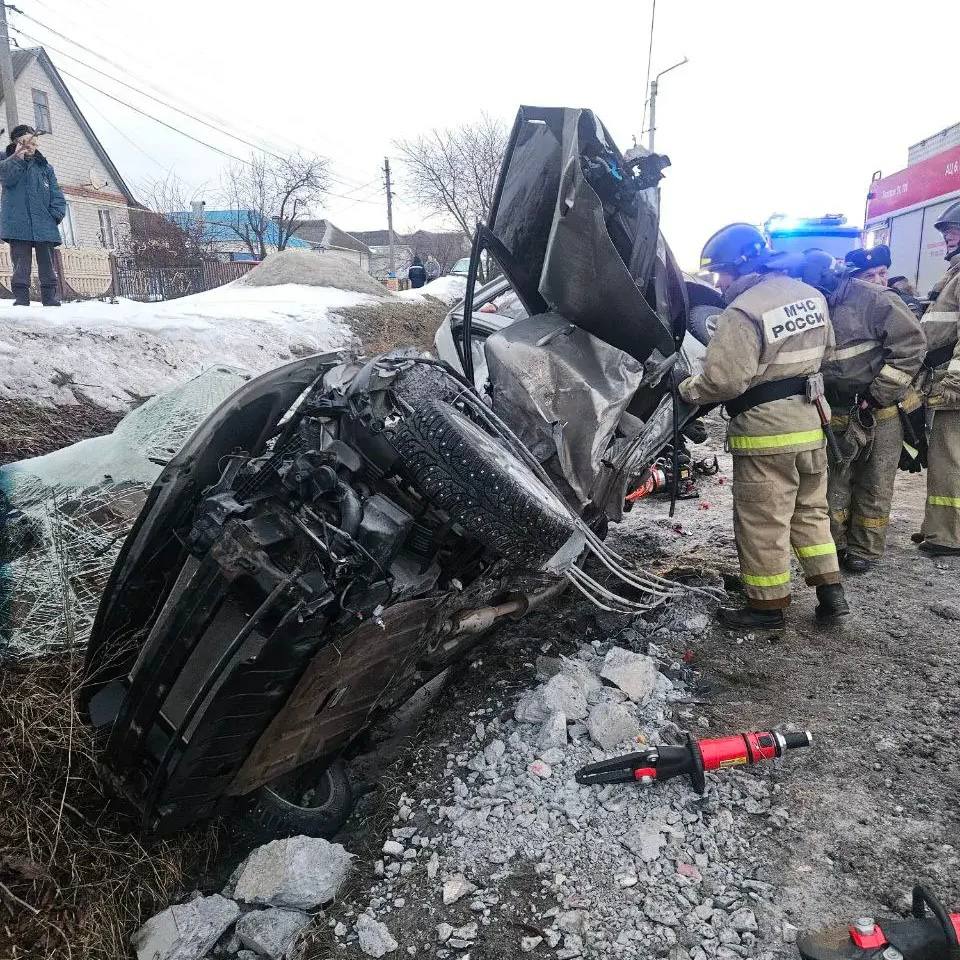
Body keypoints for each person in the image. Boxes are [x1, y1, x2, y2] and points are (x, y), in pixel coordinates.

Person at [678, 223, 849, 631]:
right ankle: (832, 595)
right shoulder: (811, 297)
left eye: (720, 272)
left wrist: (686, 390)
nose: (719, 282)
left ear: (741, 267)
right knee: (811, 511)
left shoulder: (743, 311)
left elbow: (724, 381)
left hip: (767, 433)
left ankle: (766, 608)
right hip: (812, 422)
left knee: (763, 521)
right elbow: (828, 351)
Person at [805, 252, 925, 573]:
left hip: (878, 410)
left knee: (873, 482)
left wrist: (876, 397)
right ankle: (837, 542)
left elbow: (911, 347)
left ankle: (865, 549)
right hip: (834, 409)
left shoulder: (874, 299)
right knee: (835, 483)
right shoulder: (812, 303)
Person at [916, 200, 960, 556]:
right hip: (945, 382)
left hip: (955, 390)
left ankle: (947, 536)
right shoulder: (954, 274)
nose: (947, 237)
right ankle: (937, 528)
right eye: (946, 231)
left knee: (950, 459)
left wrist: (952, 386)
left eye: (953, 230)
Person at [0, 124, 65, 307]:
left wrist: (55, 215)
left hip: (44, 222)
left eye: (33, 143)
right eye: (25, 143)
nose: (30, 147)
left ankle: (50, 297)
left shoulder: (45, 167)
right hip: (18, 222)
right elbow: (7, 178)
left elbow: (56, 193)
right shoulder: (7, 161)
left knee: (47, 263)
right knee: (21, 262)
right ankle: (21, 298)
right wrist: (18, 158)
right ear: (16, 143)